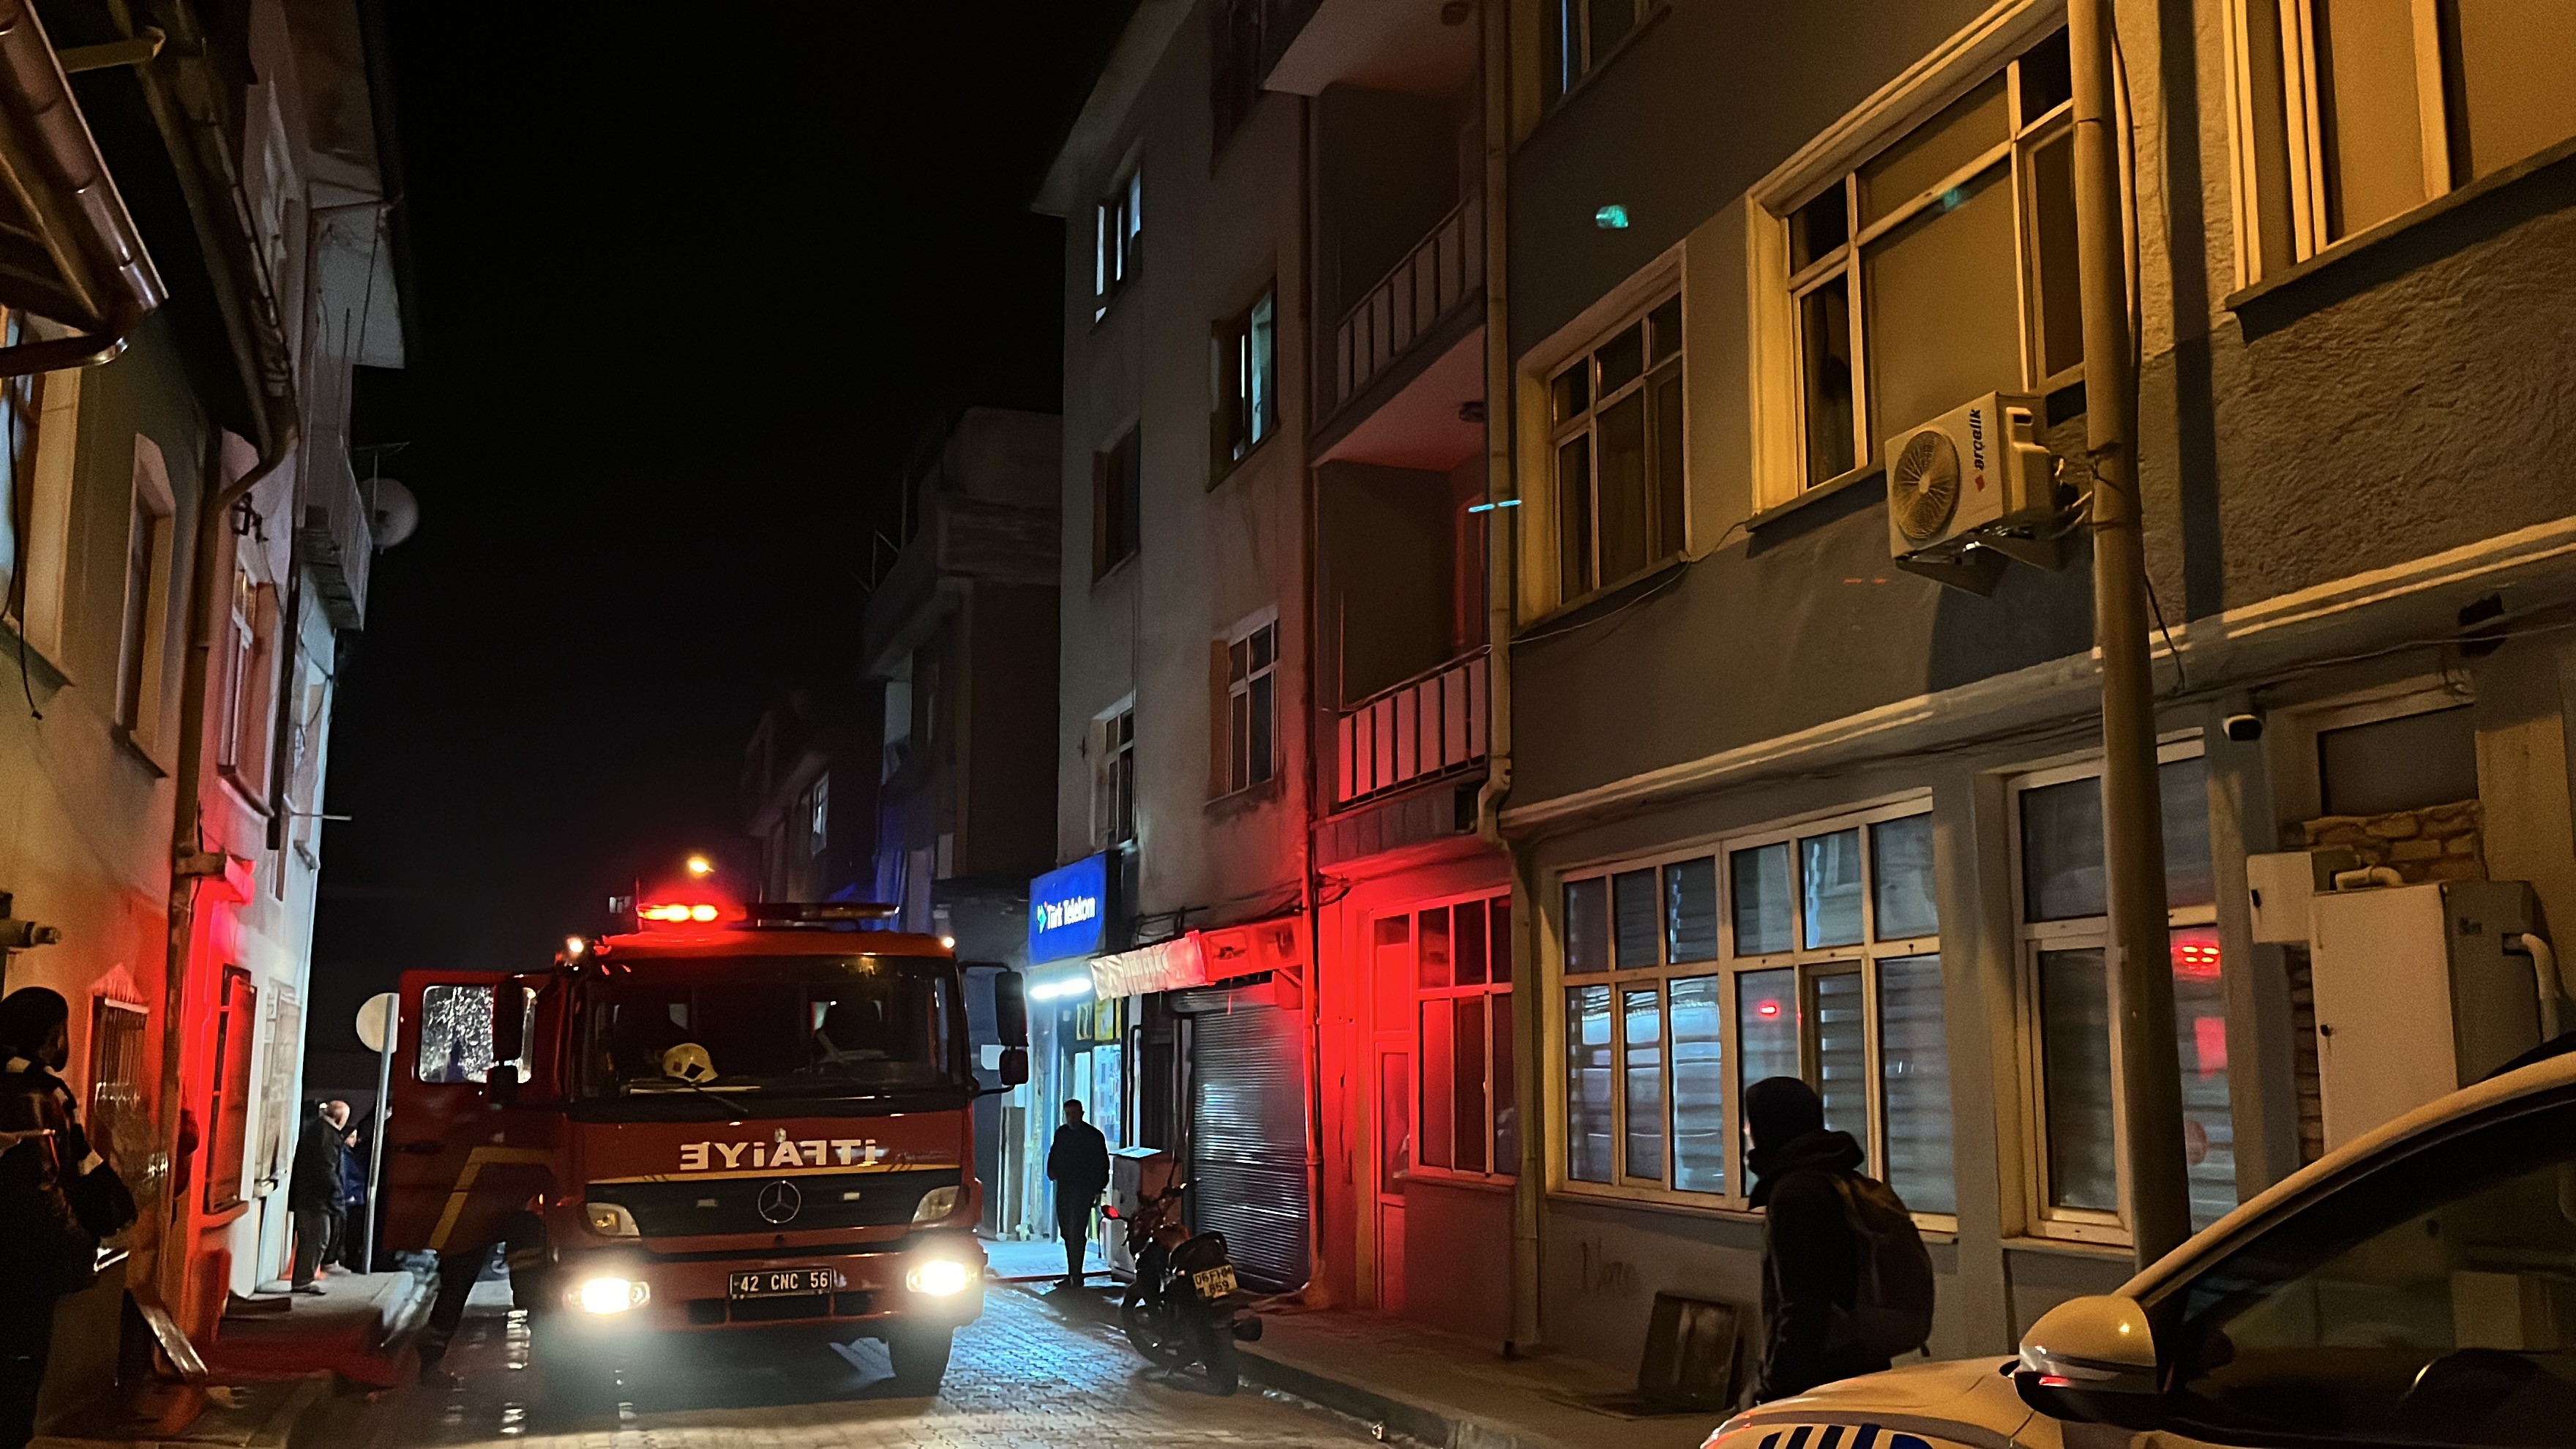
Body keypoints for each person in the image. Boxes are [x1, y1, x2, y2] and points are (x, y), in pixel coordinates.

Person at [0, 989, 105, 1449]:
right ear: (47, 1037)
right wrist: (79, 1243)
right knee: (19, 1372)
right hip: (21, 1263)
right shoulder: (34, 1096)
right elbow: (42, 1187)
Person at [1745, 1076, 1887, 1403]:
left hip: (1820, 1377)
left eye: (1752, 1121)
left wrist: (1776, 1387)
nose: (1747, 1130)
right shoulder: (1834, 1175)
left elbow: (1803, 1307)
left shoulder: (1795, 1194)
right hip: (1858, 1359)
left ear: (1771, 1127)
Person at [1045, 1099, 1109, 1290]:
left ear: (1082, 1114)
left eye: (1074, 1114)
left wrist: (1097, 1188)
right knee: (1067, 1230)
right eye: (1068, 1114)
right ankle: (1073, 1273)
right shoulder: (1062, 1134)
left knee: (1076, 1231)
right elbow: (1054, 1155)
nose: (1071, 1118)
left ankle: (1076, 1274)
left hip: (1083, 1190)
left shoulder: (1093, 1137)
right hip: (1065, 1188)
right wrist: (1053, 1172)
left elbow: (1102, 1164)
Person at [288, 1100, 350, 1294]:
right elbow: (326, 1169)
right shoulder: (326, 1135)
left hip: (310, 1197)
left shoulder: (318, 1130)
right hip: (315, 1199)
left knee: (315, 1238)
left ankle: (303, 1279)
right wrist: (337, 1196)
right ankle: (302, 1281)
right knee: (318, 1238)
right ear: (339, 1118)